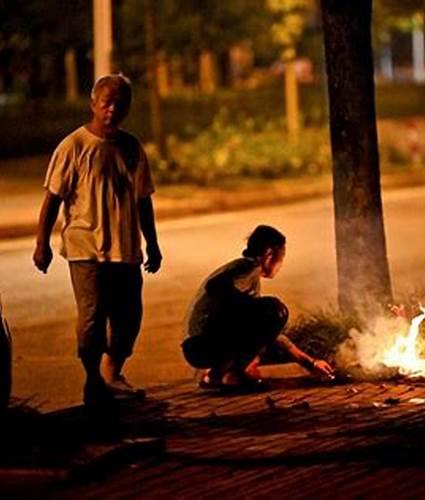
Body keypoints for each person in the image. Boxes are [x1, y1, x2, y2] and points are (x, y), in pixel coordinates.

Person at [33, 74, 162, 406]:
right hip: (85, 248)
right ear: (93, 103)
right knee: (92, 317)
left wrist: (153, 243)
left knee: (128, 317)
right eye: (107, 102)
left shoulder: (132, 148)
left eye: (120, 103)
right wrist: (41, 243)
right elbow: (53, 199)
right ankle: (93, 379)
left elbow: (143, 199)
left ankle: (112, 371)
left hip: (126, 250)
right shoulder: (73, 146)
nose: (112, 109)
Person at [182, 225, 334, 391]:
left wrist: (310, 363)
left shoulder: (243, 273)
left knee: (268, 319)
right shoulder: (249, 268)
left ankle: (217, 374)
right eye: (281, 258)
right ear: (269, 254)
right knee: (275, 310)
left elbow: (274, 335)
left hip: (196, 347)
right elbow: (215, 286)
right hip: (201, 346)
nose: (281, 265)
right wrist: (246, 307)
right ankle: (229, 374)